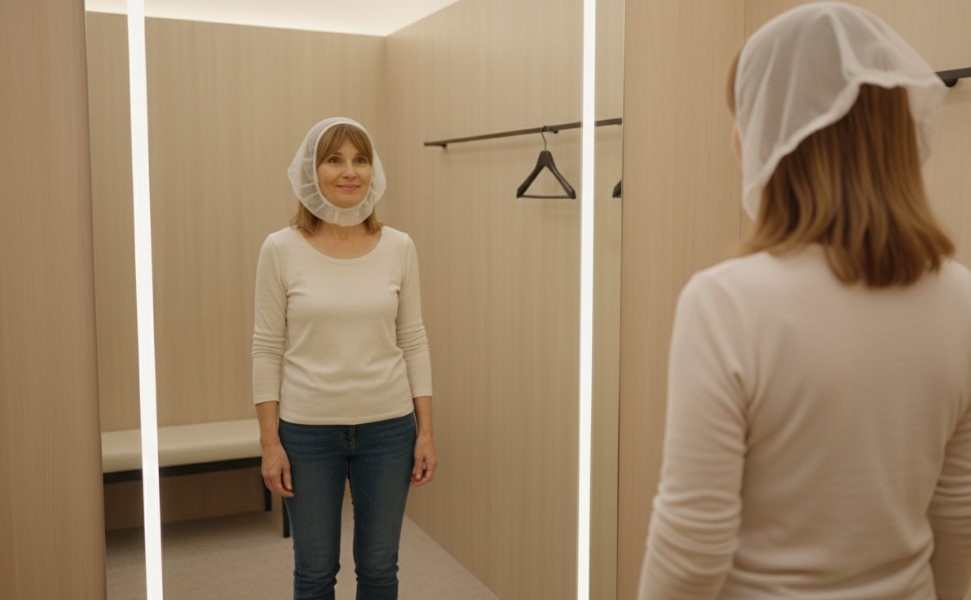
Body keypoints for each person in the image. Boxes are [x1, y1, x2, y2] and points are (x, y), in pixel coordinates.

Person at [638, 3, 971, 599]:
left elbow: (691, 550)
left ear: (776, 140)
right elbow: (958, 519)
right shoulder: (961, 299)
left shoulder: (726, 304)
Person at [252, 117, 438, 600]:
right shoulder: (280, 249)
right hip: (307, 432)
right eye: (334, 160)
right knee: (315, 572)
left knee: (379, 569)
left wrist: (425, 431)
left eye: (360, 160)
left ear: (374, 171)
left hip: (389, 429)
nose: (349, 171)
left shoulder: (399, 247)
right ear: (310, 171)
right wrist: (270, 443)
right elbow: (266, 348)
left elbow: (413, 339)